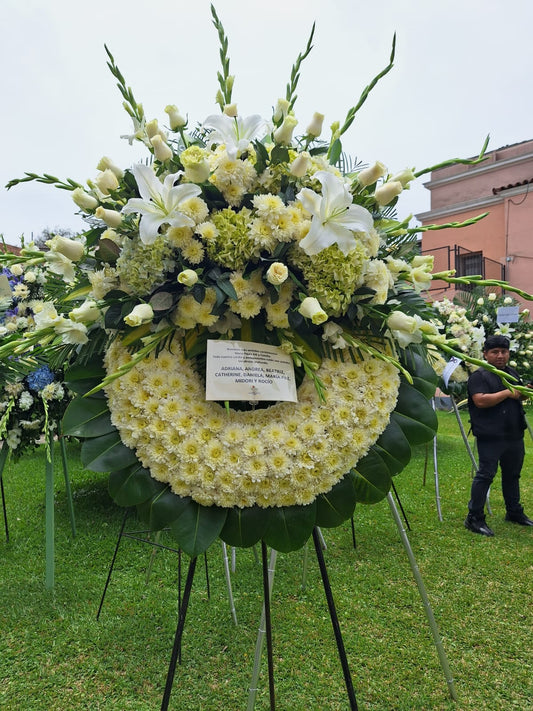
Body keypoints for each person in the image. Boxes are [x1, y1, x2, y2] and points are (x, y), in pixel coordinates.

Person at [464, 334, 533, 536]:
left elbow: (517, 396)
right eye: (495, 352)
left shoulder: (512, 373)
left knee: (512, 475)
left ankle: (514, 512)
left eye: (504, 352)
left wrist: (523, 391)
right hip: (490, 436)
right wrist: (509, 392)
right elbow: (480, 400)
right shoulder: (479, 376)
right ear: (485, 354)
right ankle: (474, 518)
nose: (500, 356)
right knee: (485, 475)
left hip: (513, 434)